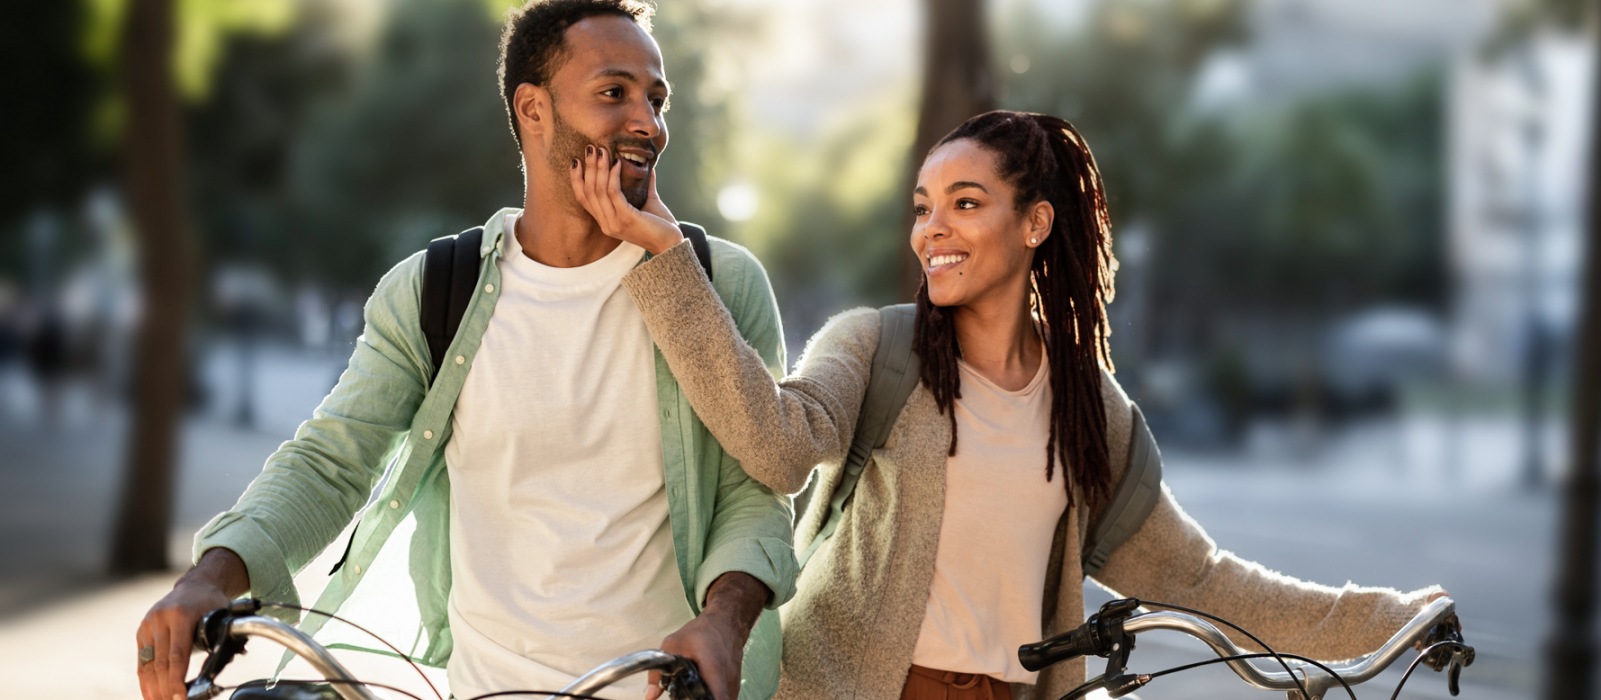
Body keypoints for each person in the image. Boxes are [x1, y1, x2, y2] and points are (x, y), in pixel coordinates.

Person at [577, 110, 1452, 700]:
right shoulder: (875, 348)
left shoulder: (1089, 412)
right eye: (924, 207)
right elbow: (774, 446)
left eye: (966, 203)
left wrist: (1391, 618)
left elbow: (1198, 581)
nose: (933, 230)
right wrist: (664, 253)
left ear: (1034, 225)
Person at [133, 3, 796, 700]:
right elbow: (331, 461)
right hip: (483, 688)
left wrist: (726, 619)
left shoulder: (717, 282)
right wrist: (207, 578)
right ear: (533, 109)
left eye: (656, 99)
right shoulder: (433, 291)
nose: (647, 122)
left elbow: (752, 492)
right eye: (614, 93)